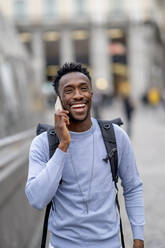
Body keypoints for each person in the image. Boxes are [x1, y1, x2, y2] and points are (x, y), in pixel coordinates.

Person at [25, 62, 144, 248]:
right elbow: (37, 199)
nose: (78, 95)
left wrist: (138, 238)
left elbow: (132, 187)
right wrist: (63, 145)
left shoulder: (115, 136)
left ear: (92, 95)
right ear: (59, 100)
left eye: (83, 88)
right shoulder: (42, 143)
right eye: (69, 90)